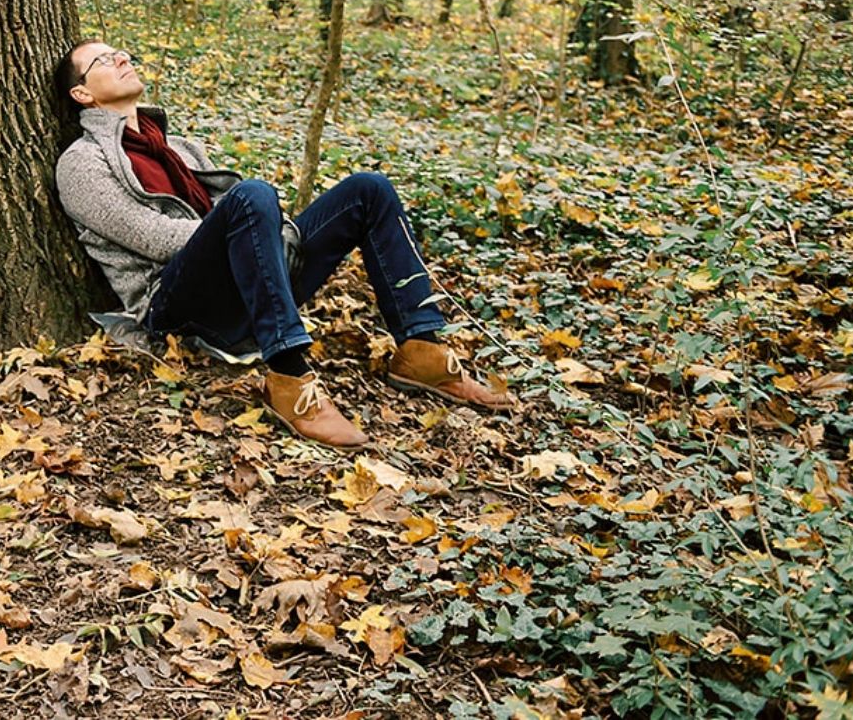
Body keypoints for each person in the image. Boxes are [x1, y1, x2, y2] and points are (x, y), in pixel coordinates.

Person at [54, 40, 516, 449]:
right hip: (177, 307)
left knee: (368, 190)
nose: (122, 58)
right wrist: (253, 232)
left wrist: (262, 237)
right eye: (104, 59)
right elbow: (152, 239)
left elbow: (235, 221)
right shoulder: (82, 163)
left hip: (243, 285)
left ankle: (422, 349)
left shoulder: (178, 146)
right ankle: (291, 378)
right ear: (82, 93)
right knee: (251, 195)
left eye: (122, 52)